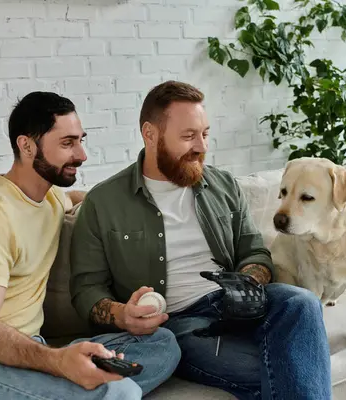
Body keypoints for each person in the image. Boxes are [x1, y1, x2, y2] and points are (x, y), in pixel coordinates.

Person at [69, 80, 332, 399]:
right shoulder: (104, 202)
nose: (201, 147)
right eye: (188, 136)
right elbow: (86, 289)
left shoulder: (222, 185)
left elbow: (254, 252)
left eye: (204, 134)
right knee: (278, 370)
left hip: (237, 302)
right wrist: (122, 314)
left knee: (300, 302)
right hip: (181, 322)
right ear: (150, 134)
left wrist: (248, 282)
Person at [0, 91, 180, 400]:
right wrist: (58, 363)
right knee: (118, 392)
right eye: (67, 143)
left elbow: (84, 199)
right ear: (26, 146)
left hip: (27, 352)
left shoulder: (51, 198)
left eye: (81, 140)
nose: (82, 155)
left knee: (162, 344)